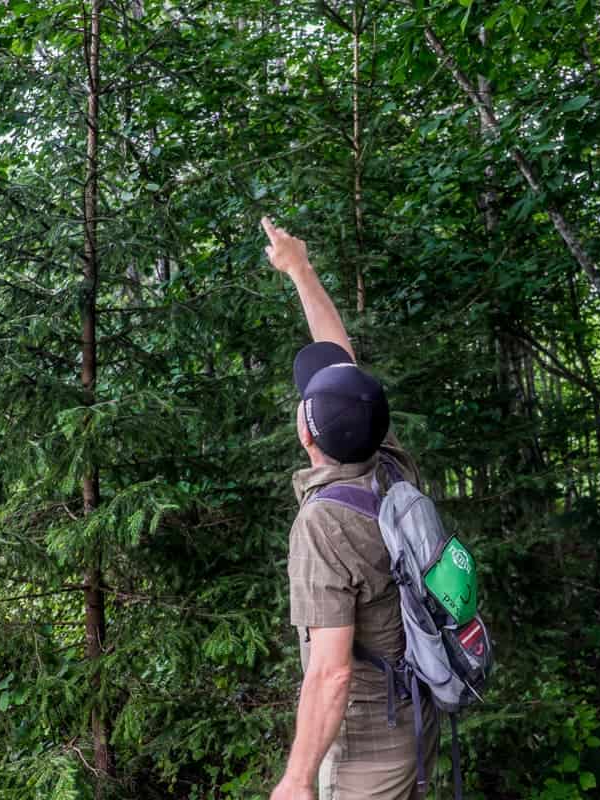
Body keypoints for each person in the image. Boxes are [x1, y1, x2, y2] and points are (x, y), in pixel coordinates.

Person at [262, 217, 438, 800]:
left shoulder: (323, 524)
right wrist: (299, 269)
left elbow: (331, 672)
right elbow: (341, 356)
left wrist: (296, 778)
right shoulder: (387, 459)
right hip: (419, 712)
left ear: (308, 437)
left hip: (369, 741)